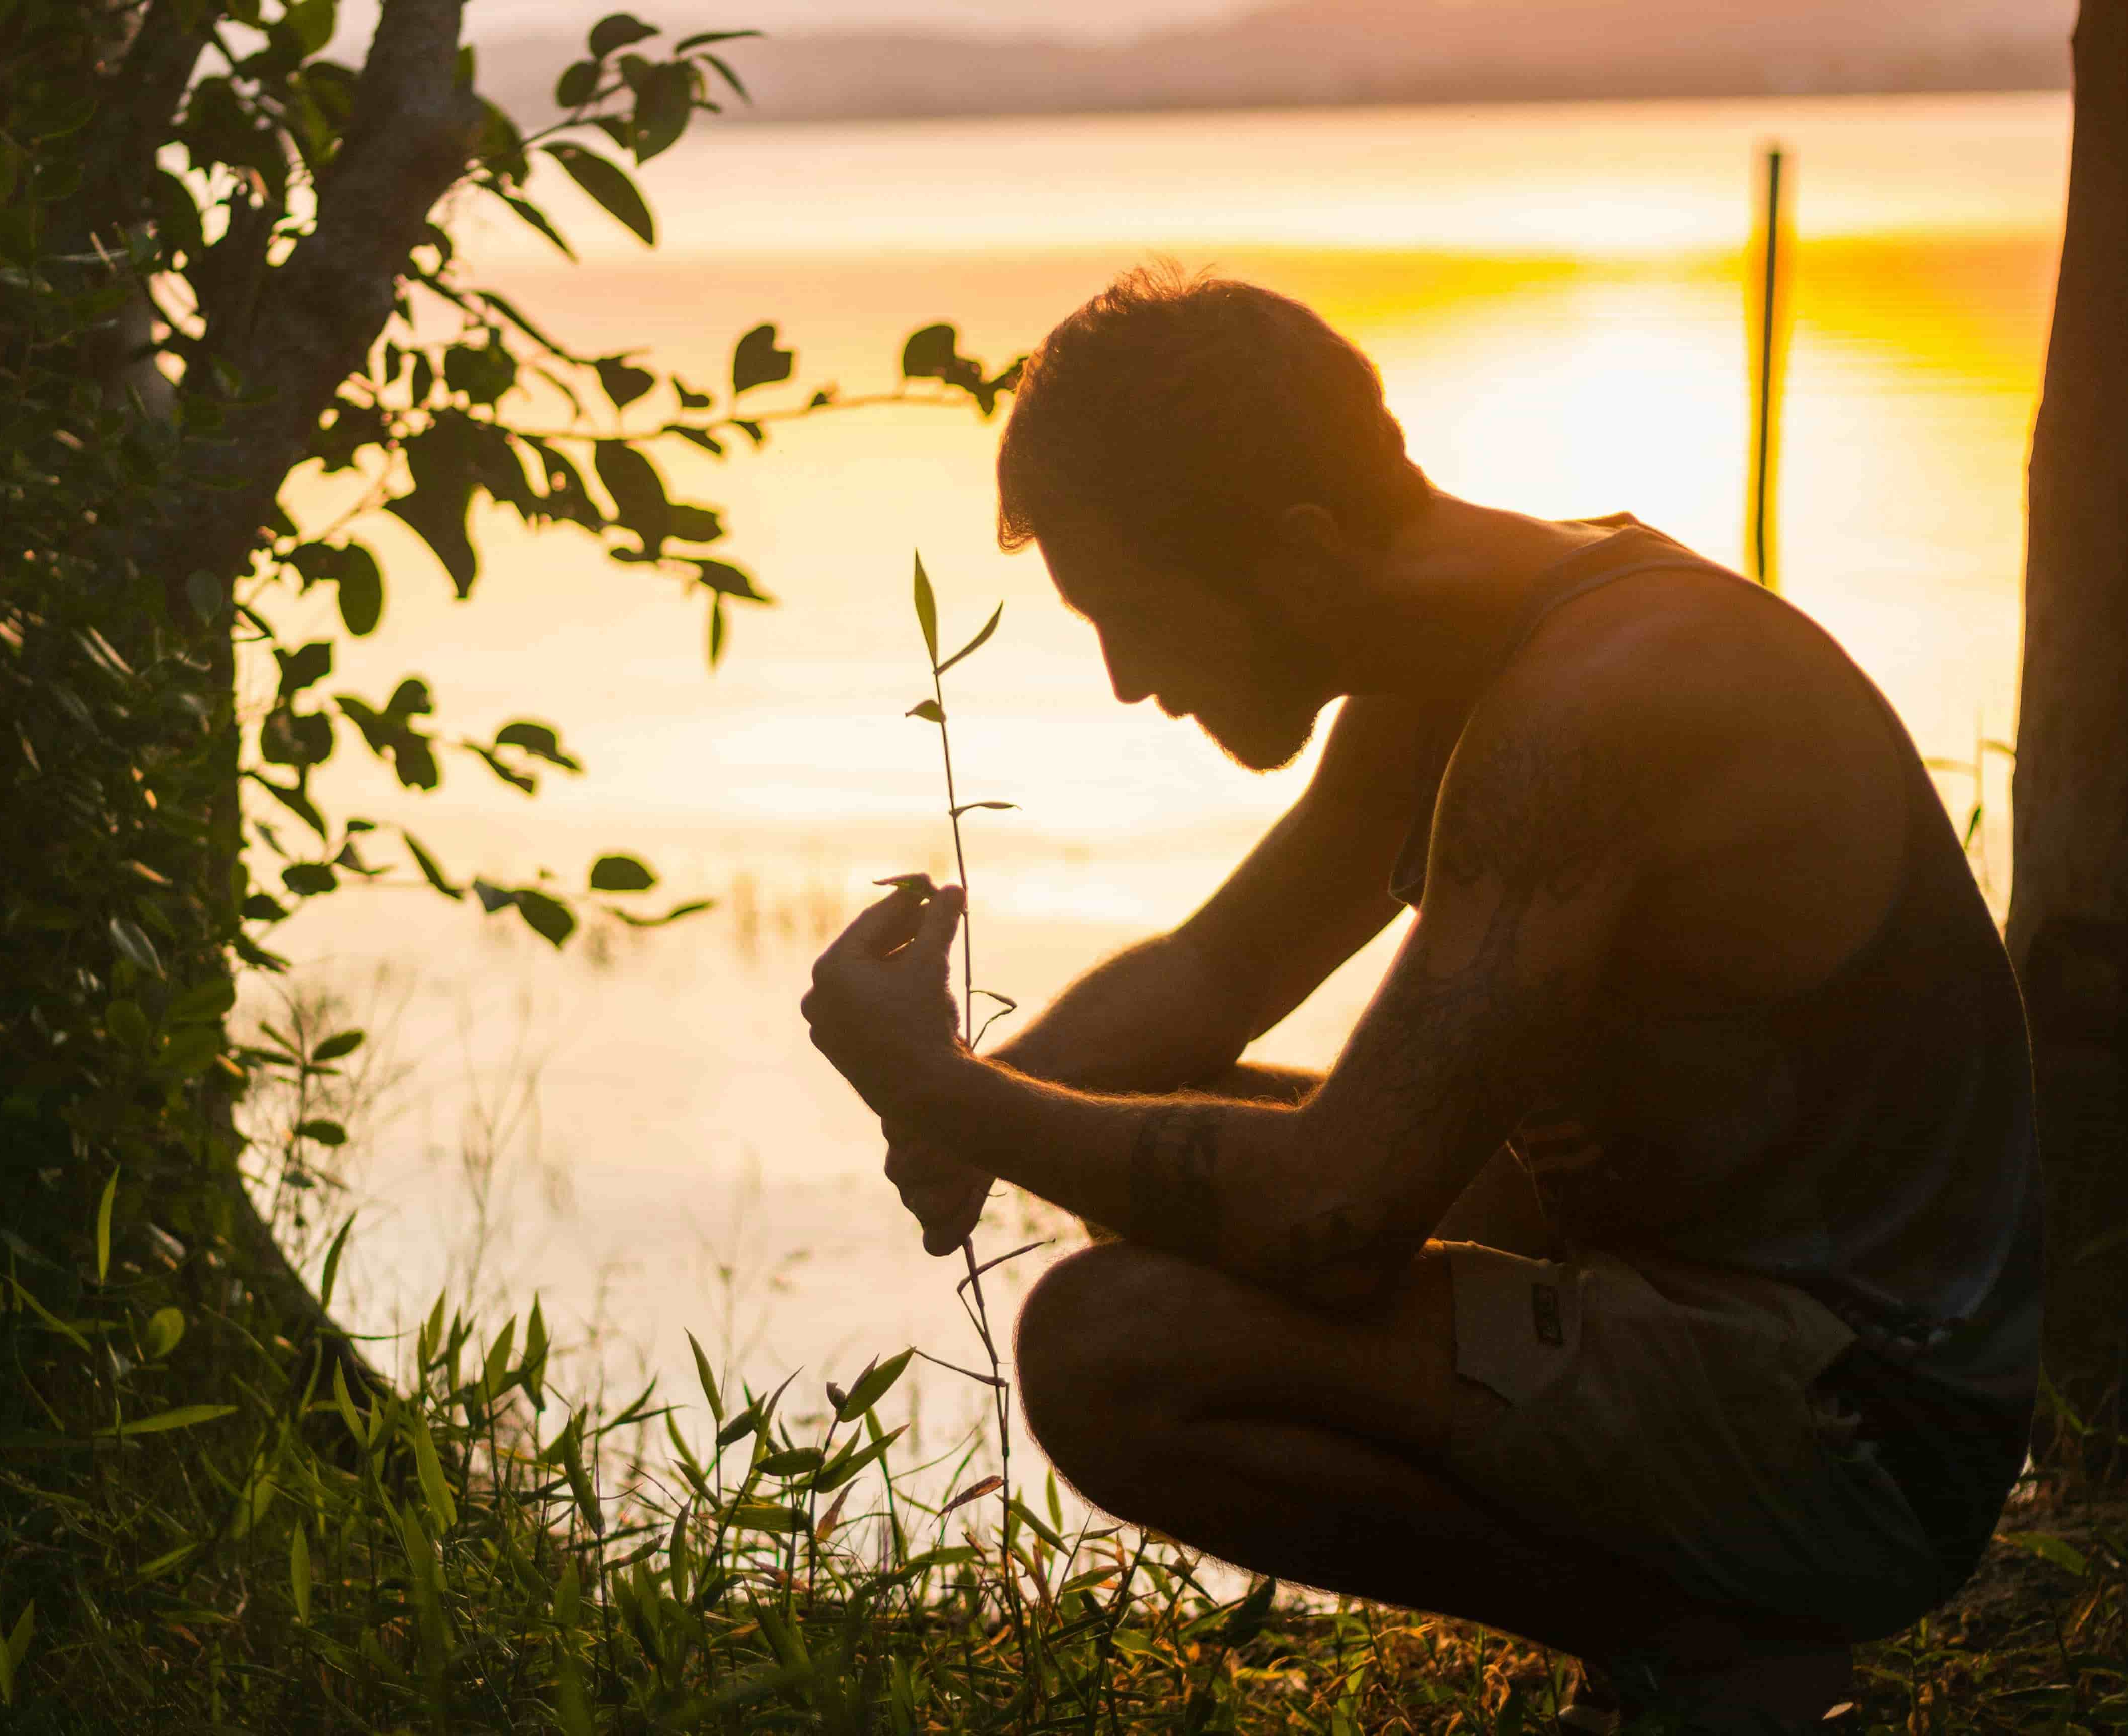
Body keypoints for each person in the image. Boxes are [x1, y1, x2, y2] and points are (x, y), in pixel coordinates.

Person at [798, 266, 2041, 1733]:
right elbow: (1219, 971)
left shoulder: (1604, 698)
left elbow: (1336, 1221)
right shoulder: (1459, 646)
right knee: (1135, 1143)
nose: (1131, 682)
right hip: (1713, 1309)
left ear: (1305, 551)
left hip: (1864, 1435)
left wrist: (948, 1095)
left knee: (1109, 1348)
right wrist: (982, 1094)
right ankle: (1702, 1638)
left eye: (1138, 615)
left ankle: (1698, 1655)